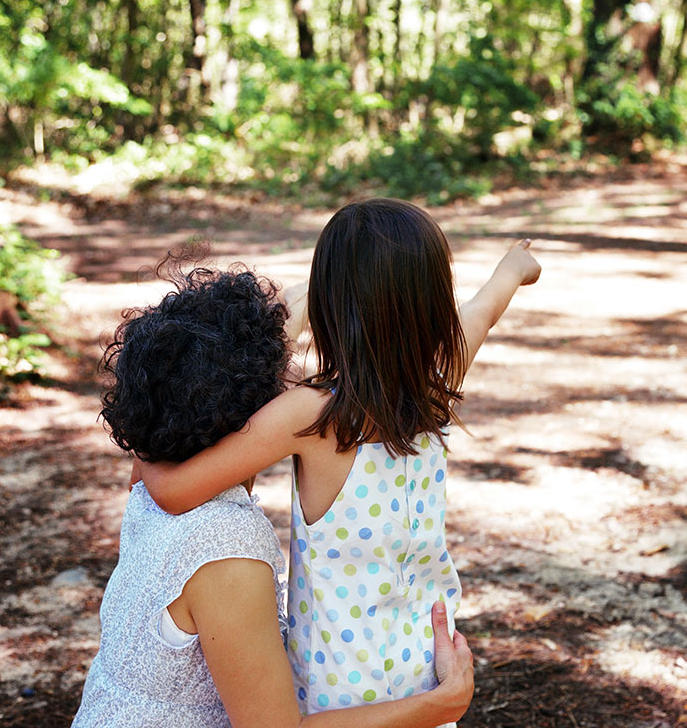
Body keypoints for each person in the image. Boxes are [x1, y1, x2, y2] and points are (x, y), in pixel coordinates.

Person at [140, 199, 541, 723]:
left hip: (334, 699)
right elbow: (482, 311)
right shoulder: (435, 386)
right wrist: (513, 268)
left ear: (332, 306)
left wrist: (138, 434)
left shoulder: (314, 414)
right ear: (434, 303)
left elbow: (174, 491)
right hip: (423, 677)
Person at [71, 256, 474, 728]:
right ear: (254, 415)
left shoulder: (147, 487)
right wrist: (439, 704)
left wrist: (338, 278)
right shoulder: (227, 550)